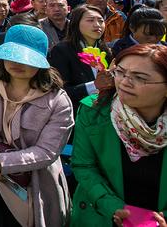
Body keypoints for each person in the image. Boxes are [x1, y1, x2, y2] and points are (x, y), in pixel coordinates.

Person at [0, 24, 74, 227]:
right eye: (11, 55)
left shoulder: (58, 101)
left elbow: (46, 152)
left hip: (33, 177)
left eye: (25, 58)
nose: (16, 62)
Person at [71, 44, 167, 226]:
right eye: (120, 72)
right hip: (102, 216)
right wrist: (114, 208)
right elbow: (84, 166)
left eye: (140, 78)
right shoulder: (94, 110)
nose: (124, 82)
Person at [49, 5, 113, 112]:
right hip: (75, 113)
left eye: (101, 21)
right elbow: (57, 91)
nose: (97, 25)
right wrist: (94, 85)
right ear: (76, 23)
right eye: (90, 20)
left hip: (104, 112)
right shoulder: (62, 50)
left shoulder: (106, 51)